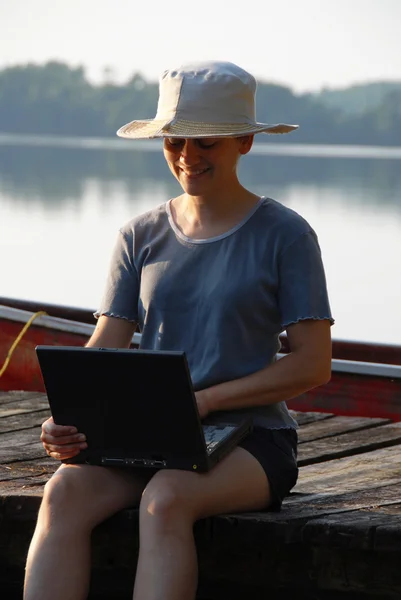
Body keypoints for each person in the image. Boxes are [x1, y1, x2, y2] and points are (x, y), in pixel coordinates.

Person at [24, 61, 334, 600]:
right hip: (144, 435)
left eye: (206, 143)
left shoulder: (286, 234)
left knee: (165, 498)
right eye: (175, 141)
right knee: (64, 493)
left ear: (244, 142)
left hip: (253, 441)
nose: (188, 156)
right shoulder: (138, 235)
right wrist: (66, 418)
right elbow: (105, 349)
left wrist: (207, 402)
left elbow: (312, 364)